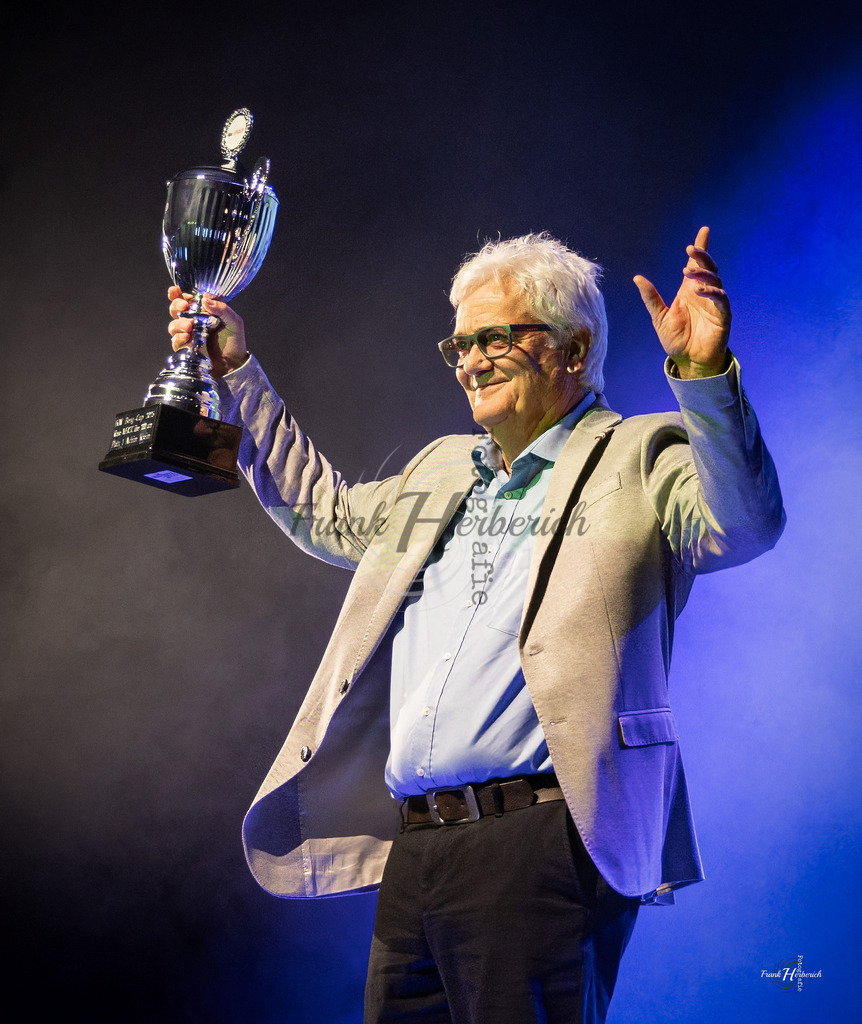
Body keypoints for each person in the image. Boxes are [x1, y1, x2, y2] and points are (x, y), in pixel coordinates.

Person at [168, 227, 784, 1023]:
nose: (469, 360)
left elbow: (745, 522)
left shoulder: (638, 453)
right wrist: (233, 372)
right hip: (419, 844)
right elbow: (322, 512)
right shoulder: (442, 466)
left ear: (572, 347)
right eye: (459, 344)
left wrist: (703, 375)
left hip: (546, 836)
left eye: (495, 337)